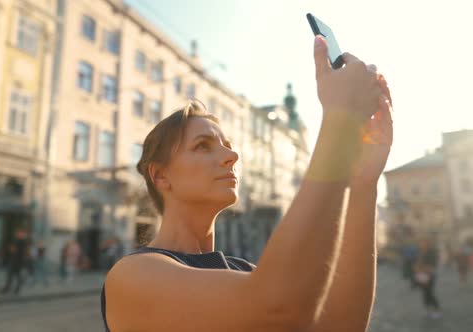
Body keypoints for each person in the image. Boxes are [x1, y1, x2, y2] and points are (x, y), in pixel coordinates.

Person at [101, 35, 394, 332]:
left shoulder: (244, 272)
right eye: (203, 146)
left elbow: (340, 326)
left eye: (227, 145)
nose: (232, 155)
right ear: (160, 175)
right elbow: (279, 307)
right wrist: (340, 119)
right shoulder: (132, 274)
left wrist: (363, 184)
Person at [413, 238, 442, 318]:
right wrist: (416, 267)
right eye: (421, 243)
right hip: (421, 275)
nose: (422, 245)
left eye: (424, 243)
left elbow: (432, 266)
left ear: (428, 244)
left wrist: (421, 268)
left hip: (429, 275)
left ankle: (437, 309)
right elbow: (417, 263)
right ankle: (428, 309)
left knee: (429, 293)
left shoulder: (432, 253)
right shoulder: (421, 252)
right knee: (424, 293)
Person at [0, 228, 28, 295]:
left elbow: (16, 251)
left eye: (20, 233)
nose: (17, 234)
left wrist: (12, 249)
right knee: (11, 275)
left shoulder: (22, 242)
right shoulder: (17, 241)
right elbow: (12, 249)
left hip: (18, 262)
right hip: (14, 261)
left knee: (15, 275)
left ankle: (14, 288)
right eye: (17, 233)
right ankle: (8, 288)